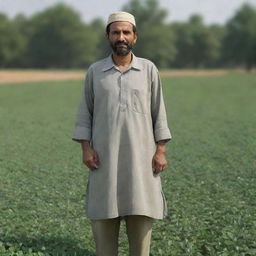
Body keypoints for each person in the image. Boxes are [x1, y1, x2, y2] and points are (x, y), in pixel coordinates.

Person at [72, 11, 171, 256]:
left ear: (135, 37)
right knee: (104, 220)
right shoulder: (95, 71)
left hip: (142, 160)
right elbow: (86, 111)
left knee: (141, 216)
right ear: (108, 36)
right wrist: (86, 148)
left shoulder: (148, 70)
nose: (121, 37)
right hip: (104, 160)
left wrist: (160, 151)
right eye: (116, 32)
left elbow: (159, 111)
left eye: (126, 32)